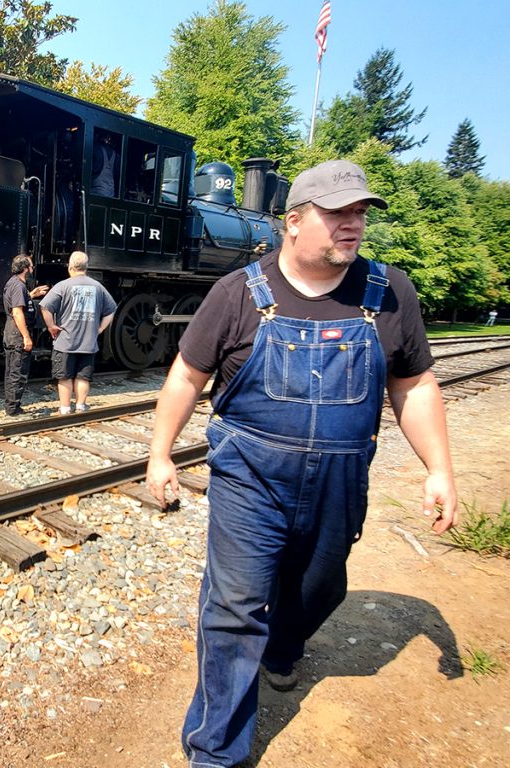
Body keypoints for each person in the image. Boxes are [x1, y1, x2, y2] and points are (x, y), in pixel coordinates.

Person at [144, 159, 459, 768]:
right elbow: (186, 376)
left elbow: (414, 386)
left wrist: (439, 467)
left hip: (340, 482)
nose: (354, 224)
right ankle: (216, 752)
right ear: (293, 222)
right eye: (338, 213)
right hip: (248, 480)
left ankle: (285, 646)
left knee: (318, 588)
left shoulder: (389, 293)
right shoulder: (237, 294)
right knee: (234, 608)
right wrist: (160, 454)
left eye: (361, 213)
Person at [39, 251, 117, 414]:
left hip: (66, 341)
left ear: (70, 267)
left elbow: (45, 306)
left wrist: (51, 326)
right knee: (83, 377)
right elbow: (111, 310)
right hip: (88, 342)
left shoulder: (63, 286)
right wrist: (101, 328)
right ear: (86, 268)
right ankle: (81, 406)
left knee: (65, 377)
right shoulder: (98, 287)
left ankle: (65, 408)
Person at [2, 254, 49, 416]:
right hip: (17, 335)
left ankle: (12, 405)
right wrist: (26, 337)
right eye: (30, 265)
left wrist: (31, 295)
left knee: (12, 371)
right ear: (24, 268)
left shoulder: (15, 284)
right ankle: (13, 408)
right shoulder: (18, 286)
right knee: (18, 372)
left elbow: (17, 303)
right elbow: (17, 312)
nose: (33, 268)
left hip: (11, 333)